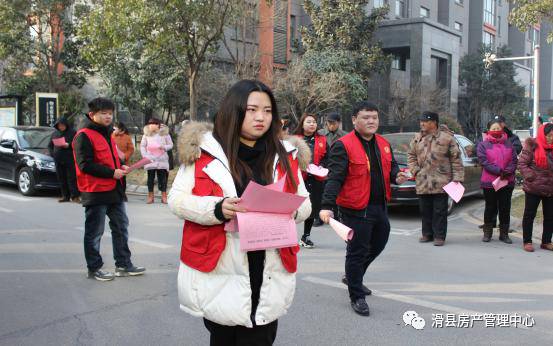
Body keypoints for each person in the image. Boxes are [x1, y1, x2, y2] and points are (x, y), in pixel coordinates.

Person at [167, 80, 311, 345]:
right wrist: (218, 208)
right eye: (252, 109)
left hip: (269, 260)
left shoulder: (285, 154)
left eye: (268, 111)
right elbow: (177, 200)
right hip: (223, 263)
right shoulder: (205, 152)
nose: (261, 117)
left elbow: (304, 203)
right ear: (234, 111)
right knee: (223, 334)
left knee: (260, 333)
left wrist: (286, 210)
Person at [319, 101, 407, 316]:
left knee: (378, 243)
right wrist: (327, 206)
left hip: (379, 205)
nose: (371, 121)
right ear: (354, 120)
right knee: (357, 252)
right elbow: (335, 177)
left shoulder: (383, 143)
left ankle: (353, 277)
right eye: (366, 117)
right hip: (355, 208)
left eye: (374, 117)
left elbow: (391, 166)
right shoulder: (343, 145)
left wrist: (397, 175)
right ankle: (356, 294)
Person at [73, 98, 145, 281]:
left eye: (110, 113)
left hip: (114, 190)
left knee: (121, 227)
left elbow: (110, 158)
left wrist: (121, 166)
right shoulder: (84, 135)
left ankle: (123, 264)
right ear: (92, 115)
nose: (108, 117)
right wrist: (112, 173)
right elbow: (85, 165)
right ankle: (94, 268)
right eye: (103, 113)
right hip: (95, 191)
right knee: (94, 232)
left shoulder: (107, 133)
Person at [407, 111, 464, 246]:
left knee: (439, 211)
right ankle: (427, 234)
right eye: (421, 121)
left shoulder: (447, 138)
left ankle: (439, 236)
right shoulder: (417, 138)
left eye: (425, 121)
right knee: (425, 210)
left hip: (442, 181)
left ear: (434, 122)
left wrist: (457, 178)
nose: (422, 124)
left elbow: (456, 159)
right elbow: (411, 156)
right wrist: (415, 170)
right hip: (423, 181)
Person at [476, 119, 518, 243]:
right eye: (493, 128)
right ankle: (487, 233)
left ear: (502, 129)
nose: (496, 130)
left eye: (498, 128)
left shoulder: (509, 144)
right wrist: (499, 171)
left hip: (507, 181)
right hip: (490, 182)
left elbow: (514, 160)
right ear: (489, 130)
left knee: (505, 208)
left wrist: (507, 171)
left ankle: (504, 234)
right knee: (490, 207)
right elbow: (484, 161)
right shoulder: (483, 145)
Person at [294, 113, 329, 248]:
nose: (312, 124)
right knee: (293, 208)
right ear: (302, 124)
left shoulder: (322, 140)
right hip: (298, 178)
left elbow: (327, 157)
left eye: (314, 122)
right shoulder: (295, 139)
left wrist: (322, 166)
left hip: (315, 179)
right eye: (308, 122)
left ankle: (305, 236)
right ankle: (285, 236)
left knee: (311, 208)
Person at [517, 123, 553, 252]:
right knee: (529, 215)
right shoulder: (532, 146)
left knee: (550, 216)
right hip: (534, 187)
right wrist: (531, 176)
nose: (551, 138)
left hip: (550, 187)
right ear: (543, 135)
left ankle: (546, 241)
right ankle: (527, 241)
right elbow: (522, 163)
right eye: (549, 136)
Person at [140, 118, 173, 204]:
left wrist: (164, 147)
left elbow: (171, 145)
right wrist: (145, 155)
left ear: (158, 124)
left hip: (162, 159)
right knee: (150, 178)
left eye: (154, 123)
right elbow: (142, 146)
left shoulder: (165, 133)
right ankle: (150, 196)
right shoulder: (146, 134)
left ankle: (164, 196)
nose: (152, 125)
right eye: (150, 124)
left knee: (163, 179)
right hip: (150, 159)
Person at [49, 116, 80, 203]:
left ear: (66, 125)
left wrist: (69, 145)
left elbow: (78, 144)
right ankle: (65, 196)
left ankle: (75, 196)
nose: (61, 127)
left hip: (70, 159)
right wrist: (53, 154)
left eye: (62, 125)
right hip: (58, 159)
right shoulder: (54, 134)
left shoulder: (73, 133)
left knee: (72, 178)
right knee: (61, 178)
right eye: (59, 125)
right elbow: (50, 146)